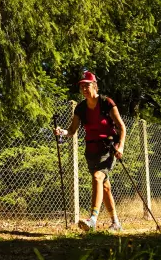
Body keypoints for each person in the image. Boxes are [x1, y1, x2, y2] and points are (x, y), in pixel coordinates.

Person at [54, 71, 126, 232]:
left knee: (97, 177)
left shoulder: (106, 103)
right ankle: (116, 223)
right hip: (91, 150)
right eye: (82, 86)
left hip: (108, 148)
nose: (84, 89)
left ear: (94, 85)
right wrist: (62, 132)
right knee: (104, 185)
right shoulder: (80, 108)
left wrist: (120, 146)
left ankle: (92, 219)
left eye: (87, 85)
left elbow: (122, 127)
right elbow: (72, 130)